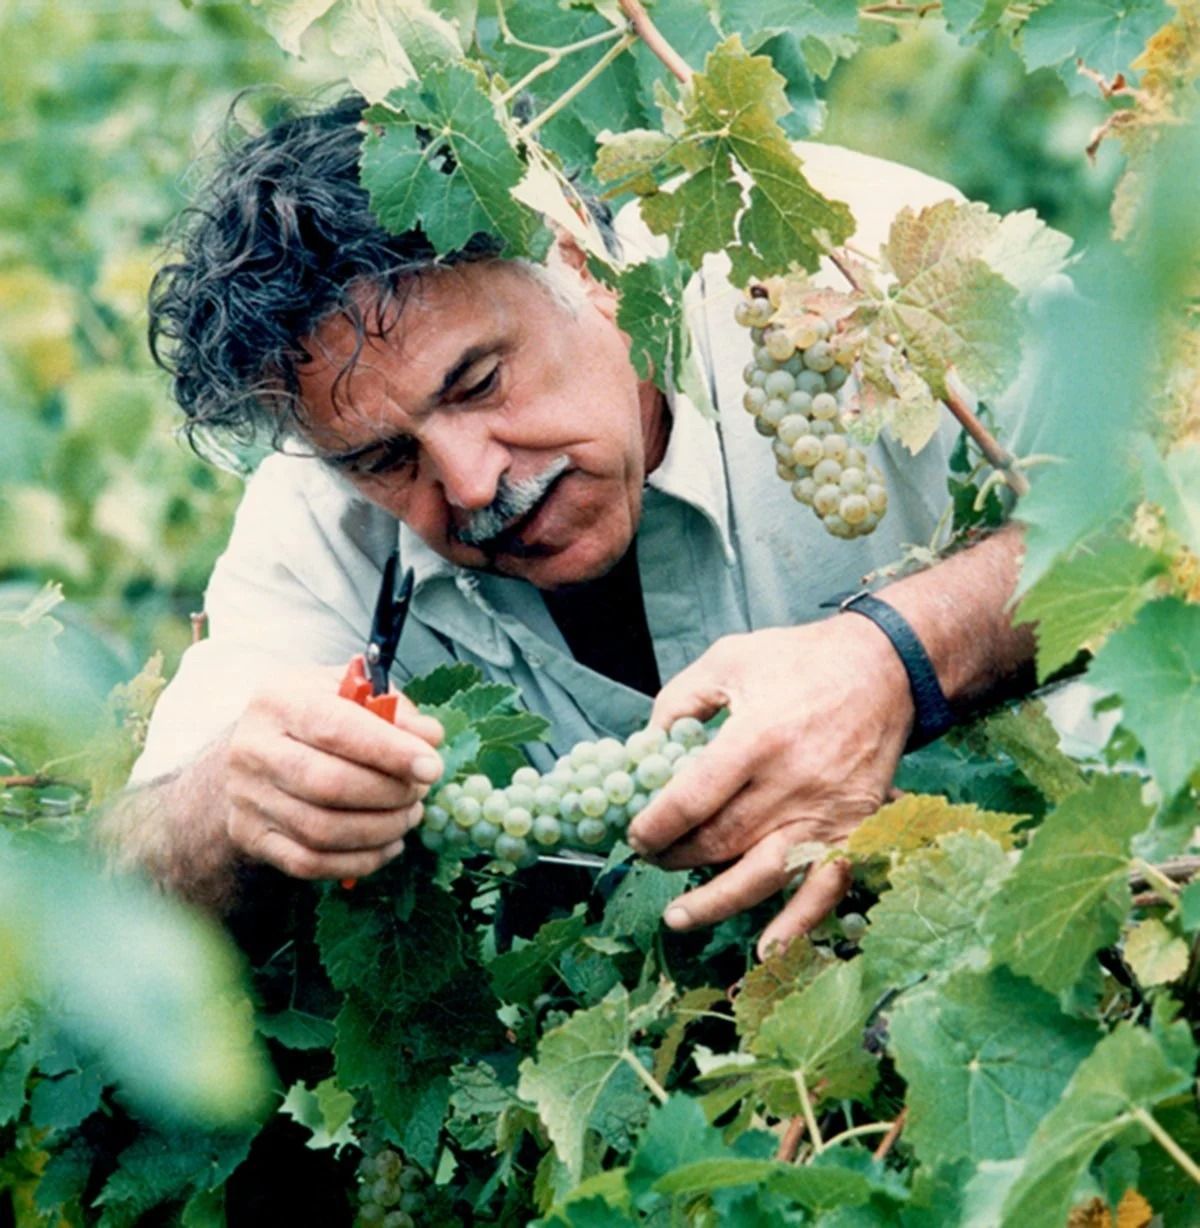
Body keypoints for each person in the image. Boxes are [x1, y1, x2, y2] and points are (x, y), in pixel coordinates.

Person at [104, 94, 1034, 957]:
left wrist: (896, 658)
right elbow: (119, 886)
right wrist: (225, 803)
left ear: (577, 260)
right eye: (387, 459)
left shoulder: (849, 273)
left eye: (479, 384)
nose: (472, 484)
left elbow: (1130, 507)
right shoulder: (318, 518)